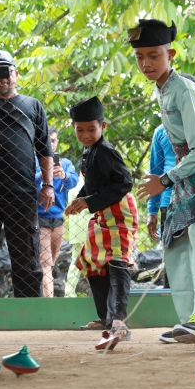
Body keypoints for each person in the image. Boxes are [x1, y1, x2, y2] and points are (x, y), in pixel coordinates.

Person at [133, 19, 195, 349]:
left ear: (170, 54)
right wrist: (166, 179)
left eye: (154, 55)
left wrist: (164, 180)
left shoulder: (185, 90)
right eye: (140, 57)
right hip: (187, 167)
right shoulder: (161, 89)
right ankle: (190, 320)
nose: (146, 63)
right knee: (173, 238)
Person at [64, 96, 138, 345]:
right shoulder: (88, 151)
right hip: (100, 213)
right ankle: (105, 317)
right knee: (92, 262)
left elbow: (125, 182)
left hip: (119, 213)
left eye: (91, 129)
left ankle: (119, 320)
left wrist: (89, 201)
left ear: (102, 127)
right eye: (80, 130)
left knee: (116, 262)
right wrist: (81, 199)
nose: (85, 135)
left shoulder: (105, 151)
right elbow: (93, 183)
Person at [147, 73, 195, 291]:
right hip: (169, 203)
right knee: (176, 260)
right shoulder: (161, 132)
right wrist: (152, 211)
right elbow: (154, 172)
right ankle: (179, 313)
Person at [0, 50, 54, 297]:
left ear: (15, 74)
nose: (2, 80)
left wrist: (49, 185)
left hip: (21, 193)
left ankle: (31, 312)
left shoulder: (33, 106)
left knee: (26, 256)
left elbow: (45, 149)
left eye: (6, 73)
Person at [36, 127, 79, 297]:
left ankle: (44, 296)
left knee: (50, 265)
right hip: (40, 219)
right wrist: (43, 175)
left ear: (57, 142)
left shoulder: (66, 163)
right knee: (45, 264)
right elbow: (28, 181)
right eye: (47, 141)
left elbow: (74, 181)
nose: (50, 144)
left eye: (53, 141)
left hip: (58, 220)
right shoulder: (33, 161)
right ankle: (49, 304)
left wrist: (63, 176)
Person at [64, 161, 88, 300]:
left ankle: (69, 293)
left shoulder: (72, 190)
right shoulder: (91, 189)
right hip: (90, 232)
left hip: (75, 232)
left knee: (74, 264)